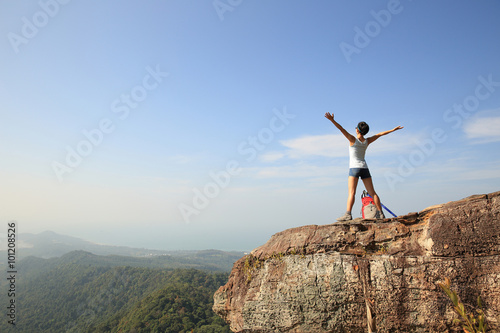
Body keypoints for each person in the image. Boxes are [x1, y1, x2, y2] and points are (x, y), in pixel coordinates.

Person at [324, 112, 403, 221]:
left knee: (352, 192)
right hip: (365, 168)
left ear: (357, 130)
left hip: (354, 168)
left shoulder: (352, 139)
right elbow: (380, 134)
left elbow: (341, 129)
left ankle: (348, 214)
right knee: (373, 192)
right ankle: (380, 213)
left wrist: (332, 120)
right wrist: (393, 130)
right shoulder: (367, 141)